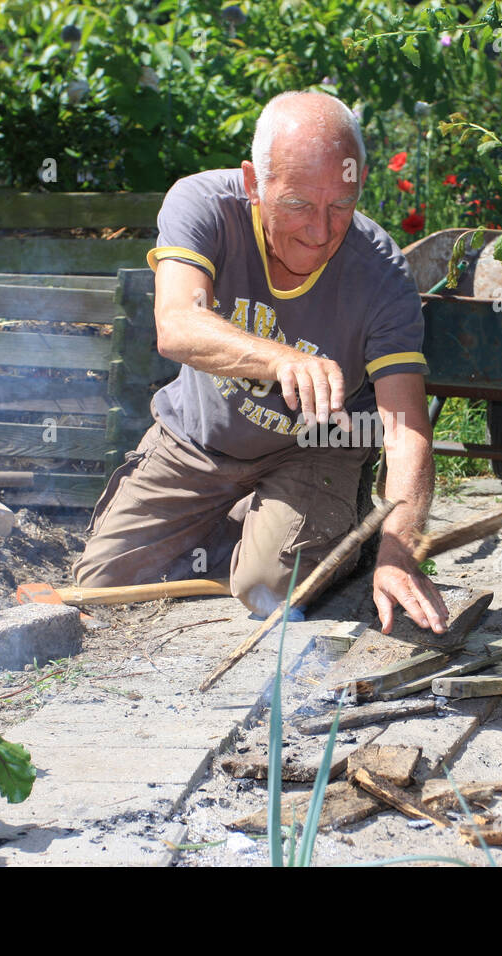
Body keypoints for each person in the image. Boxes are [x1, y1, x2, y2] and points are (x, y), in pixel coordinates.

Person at [72, 90, 449, 635]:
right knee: (103, 585)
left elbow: (406, 428)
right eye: (298, 204)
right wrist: (281, 359)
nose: (321, 231)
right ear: (254, 183)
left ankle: (336, 539)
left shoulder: (382, 273)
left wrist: (397, 548)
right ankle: (254, 527)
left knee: (267, 589)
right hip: (198, 441)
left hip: (317, 449)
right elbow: (176, 324)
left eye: (341, 204)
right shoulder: (202, 204)